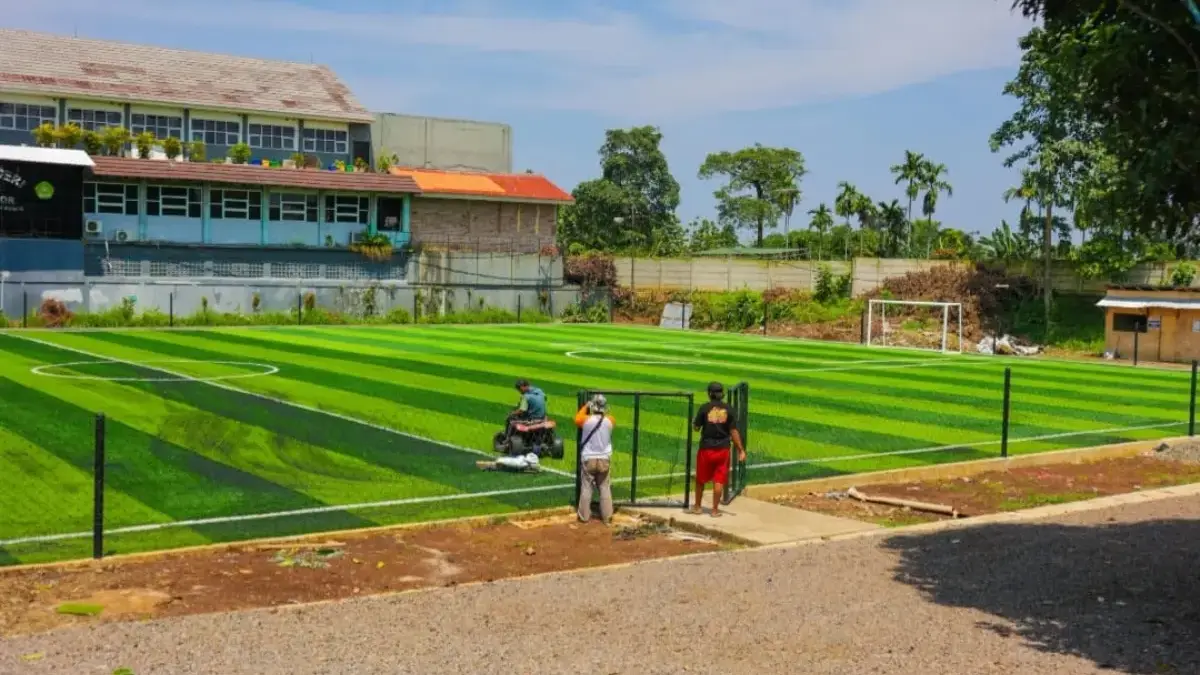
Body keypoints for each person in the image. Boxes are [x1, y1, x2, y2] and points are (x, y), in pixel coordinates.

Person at [692, 381, 746, 518]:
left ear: (709, 394)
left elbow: (696, 427)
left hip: (706, 449)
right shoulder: (729, 409)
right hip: (723, 450)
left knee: (700, 480)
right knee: (719, 480)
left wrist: (695, 423)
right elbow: (733, 431)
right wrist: (740, 450)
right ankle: (715, 510)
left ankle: (697, 507)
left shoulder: (704, 408)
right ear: (722, 394)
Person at [575, 394, 614, 524]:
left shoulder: (585, 420)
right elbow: (608, 418)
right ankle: (607, 517)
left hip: (589, 458)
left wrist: (586, 406)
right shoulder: (611, 420)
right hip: (604, 459)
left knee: (586, 487)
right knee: (604, 487)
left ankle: (584, 517)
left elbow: (577, 418)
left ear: (593, 406)